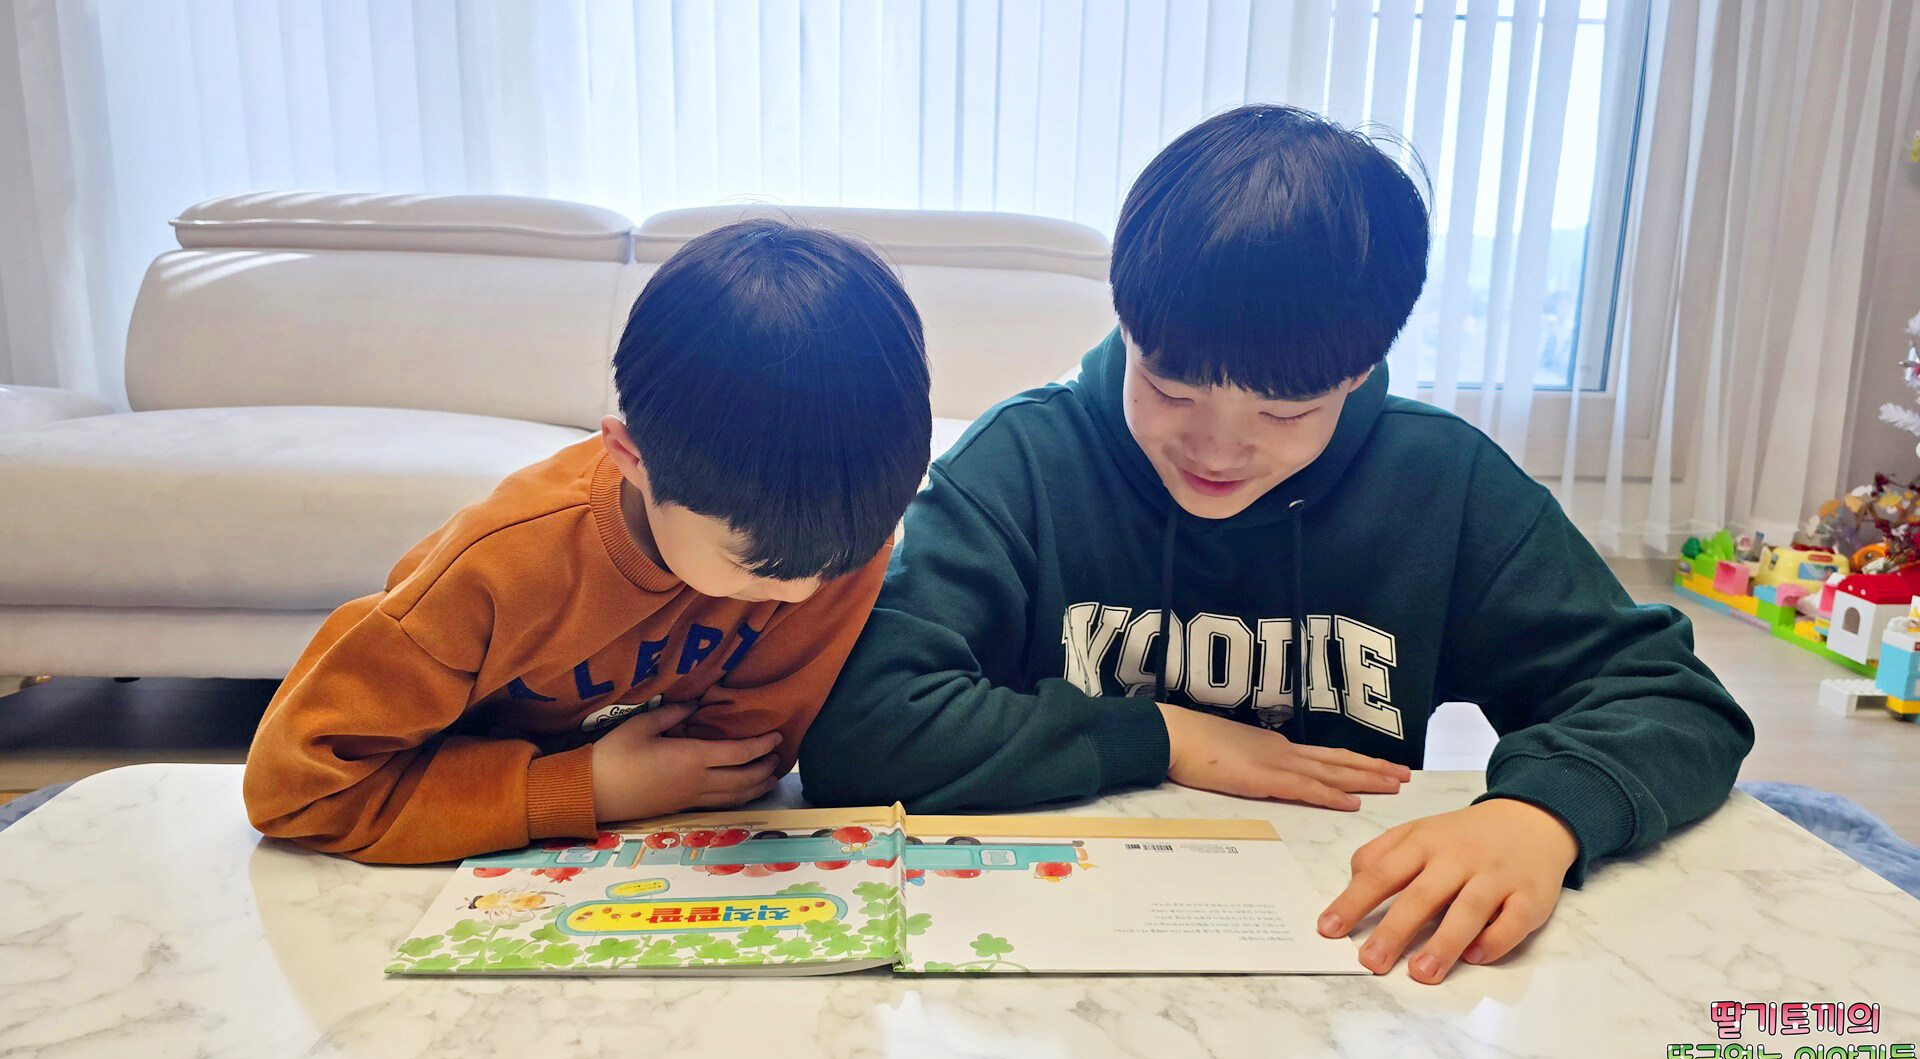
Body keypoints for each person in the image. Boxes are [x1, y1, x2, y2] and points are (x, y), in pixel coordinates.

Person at [801, 105, 1753, 983]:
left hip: (1344, 952)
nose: (1217, 449)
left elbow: (1669, 697)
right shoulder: (1023, 463)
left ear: (1361, 369)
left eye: (1285, 411)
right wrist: (1164, 734)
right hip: (1055, 946)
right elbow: (862, 730)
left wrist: (1539, 814)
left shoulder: (1443, 483)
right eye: (1169, 389)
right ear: (1126, 323)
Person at [244, 219, 932, 864]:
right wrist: (585, 789)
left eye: (837, 562)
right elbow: (296, 789)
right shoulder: (503, 563)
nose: (802, 592)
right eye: (751, 564)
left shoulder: (844, 532)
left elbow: (737, 764)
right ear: (632, 457)